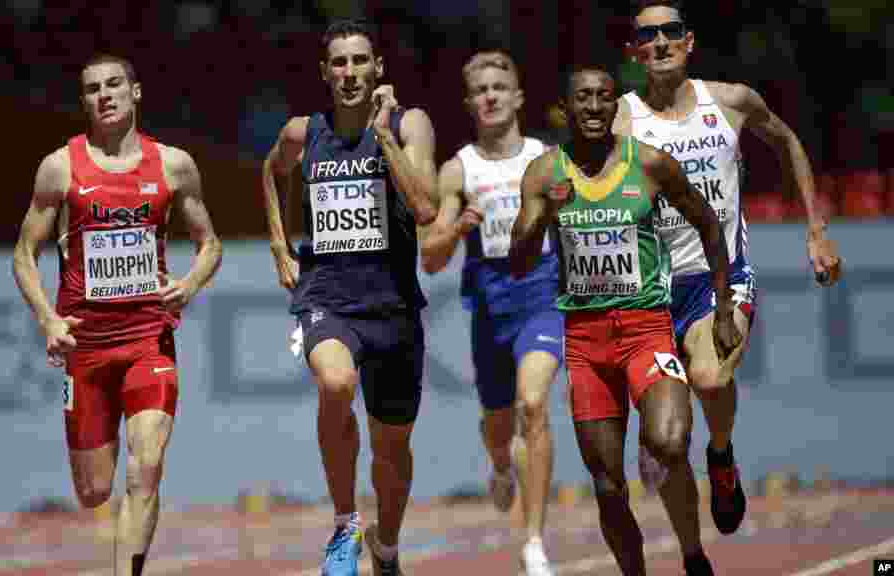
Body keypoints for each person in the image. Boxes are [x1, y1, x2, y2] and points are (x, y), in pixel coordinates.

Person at [613, 0, 842, 535]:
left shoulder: (731, 102)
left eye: (672, 32)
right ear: (635, 51)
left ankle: (720, 456)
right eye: (650, 36)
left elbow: (786, 140)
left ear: (689, 42)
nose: (662, 42)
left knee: (711, 381)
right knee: (664, 435)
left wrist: (816, 231)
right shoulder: (621, 116)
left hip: (721, 278)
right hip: (647, 287)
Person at [511, 64, 741, 576]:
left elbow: (708, 222)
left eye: (604, 97)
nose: (594, 107)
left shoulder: (651, 164)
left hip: (645, 330)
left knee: (670, 441)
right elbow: (519, 261)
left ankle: (692, 554)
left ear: (616, 106)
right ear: (565, 109)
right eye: (583, 98)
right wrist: (545, 213)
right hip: (586, 343)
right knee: (607, 486)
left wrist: (723, 305)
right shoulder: (545, 173)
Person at [12, 54, 222, 576]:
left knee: (145, 466)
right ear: (83, 100)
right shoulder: (60, 166)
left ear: (136, 91)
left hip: (149, 338)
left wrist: (189, 284)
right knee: (95, 490)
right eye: (91, 89)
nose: (103, 95)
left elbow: (210, 244)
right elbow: (23, 254)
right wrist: (49, 321)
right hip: (85, 347)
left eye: (113, 85)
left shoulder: (173, 165)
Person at [261, 19, 437, 576]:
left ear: (378, 67)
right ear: (324, 73)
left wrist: (384, 136)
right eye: (339, 63)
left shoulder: (411, 125)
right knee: (336, 383)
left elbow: (428, 207)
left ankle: (386, 546)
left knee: (392, 450)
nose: (350, 73)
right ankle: (344, 524)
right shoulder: (302, 131)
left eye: (360, 61)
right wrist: (278, 245)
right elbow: (272, 170)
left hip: (393, 308)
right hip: (327, 297)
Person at [420, 50, 562, 576]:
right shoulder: (459, 168)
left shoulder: (546, 159)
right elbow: (430, 259)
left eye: (500, 86)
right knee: (500, 424)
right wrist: (457, 228)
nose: (490, 95)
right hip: (489, 300)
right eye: (480, 89)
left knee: (534, 404)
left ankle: (533, 542)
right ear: (469, 103)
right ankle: (501, 465)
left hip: (542, 293)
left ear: (519, 96)